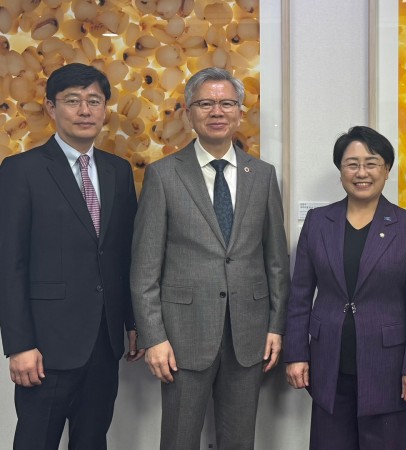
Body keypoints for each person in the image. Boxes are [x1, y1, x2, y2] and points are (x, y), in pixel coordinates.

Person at [130, 67, 290, 450]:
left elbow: (276, 261)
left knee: (239, 441)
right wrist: (154, 337)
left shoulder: (262, 175)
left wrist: (276, 326)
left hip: (248, 334)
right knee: (179, 439)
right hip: (182, 337)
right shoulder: (164, 175)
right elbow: (144, 268)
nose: (217, 111)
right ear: (189, 113)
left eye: (226, 103)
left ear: (239, 112)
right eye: (205, 104)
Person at [0, 63, 143, 450]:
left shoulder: (117, 171)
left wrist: (133, 321)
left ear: (105, 109)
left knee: (92, 440)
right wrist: (19, 344)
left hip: (104, 340)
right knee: (36, 441)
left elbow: (125, 254)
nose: (85, 110)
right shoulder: (20, 170)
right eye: (72, 100)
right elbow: (9, 264)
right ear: (51, 107)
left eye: (94, 101)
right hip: (45, 346)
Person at [284, 126, 406, 450]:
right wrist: (295, 354)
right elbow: (299, 297)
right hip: (328, 365)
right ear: (340, 171)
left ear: (386, 169)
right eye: (352, 164)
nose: (361, 173)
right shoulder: (318, 222)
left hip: (389, 369)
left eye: (371, 163)